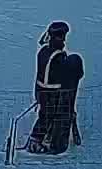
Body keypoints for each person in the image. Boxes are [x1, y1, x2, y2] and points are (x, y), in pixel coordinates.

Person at [27, 21, 85, 154]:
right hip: (54, 94)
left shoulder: (43, 52)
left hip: (42, 91)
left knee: (45, 115)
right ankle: (42, 142)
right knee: (49, 116)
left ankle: (39, 137)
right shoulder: (58, 57)